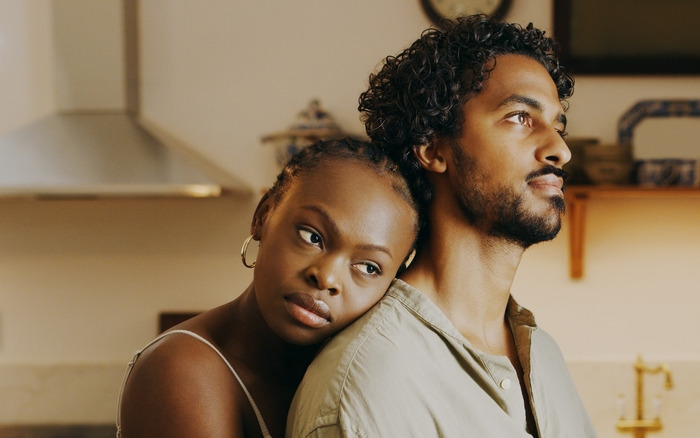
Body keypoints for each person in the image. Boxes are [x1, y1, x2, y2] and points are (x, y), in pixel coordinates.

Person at [288, 15, 597, 437]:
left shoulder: (544, 356)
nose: (560, 149)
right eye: (520, 117)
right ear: (433, 148)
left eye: (558, 126)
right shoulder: (370, 382)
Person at [116, 138, 420, 438]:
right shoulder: (181, 371)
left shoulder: (355, 378)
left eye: (368, 267)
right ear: (264, 215)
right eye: (312, 237)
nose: (327, 278)